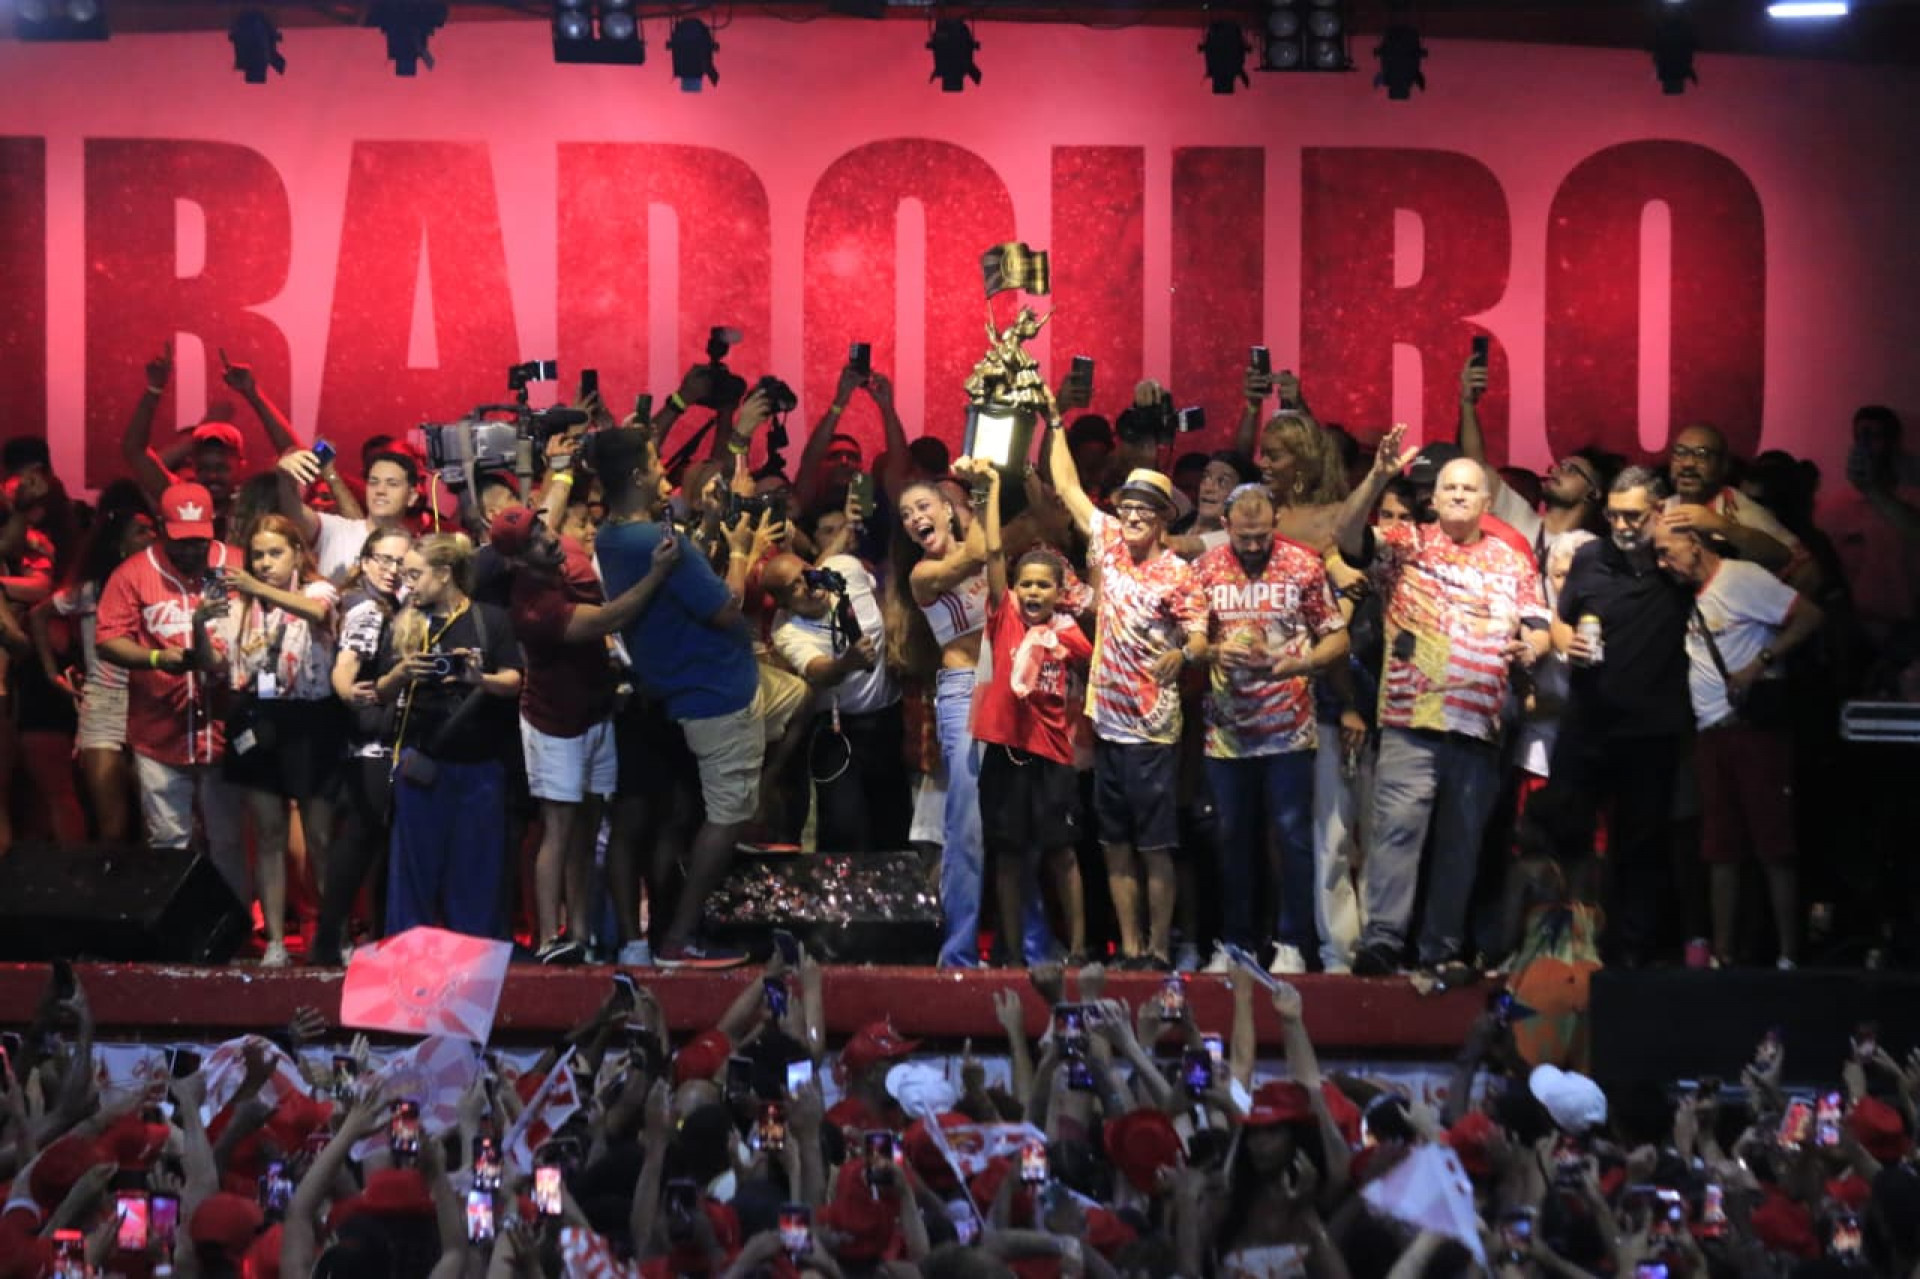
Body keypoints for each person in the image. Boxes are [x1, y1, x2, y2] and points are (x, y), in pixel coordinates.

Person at [1334, 426, 1550, 980]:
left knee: (1461, 844)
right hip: (1412, 719)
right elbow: (1347, 537)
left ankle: (1441, 947)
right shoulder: (1407, 545)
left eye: (1467, 489)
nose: (1456, 496)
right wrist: (1378, 477)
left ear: (1486, 501)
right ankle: (1383, 940)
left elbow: (1539, 625)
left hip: (1478, 726)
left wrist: (1534, 645)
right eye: (1448, 488)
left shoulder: (1511, 559)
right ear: (1431, 499)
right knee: (1397, 835)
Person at [589, 417, 799, 968]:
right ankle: (681, 938)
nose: (665, 469)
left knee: (803, 695)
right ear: (637, 475)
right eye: (657, 461)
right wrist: (742, 550)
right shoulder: (663, 543)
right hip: (718, 694)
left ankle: (757, 785)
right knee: (728, 815)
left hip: (696, 689)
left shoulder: (610, 535)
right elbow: (728, 606)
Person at [489, 503, 682, 962]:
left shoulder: (566, 552)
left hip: (596, 713)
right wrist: (656, 574)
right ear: (518, 562)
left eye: (541, 525)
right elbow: (607, 620)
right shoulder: (534, 609)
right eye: (534, 539)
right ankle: (548, 940)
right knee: (558, 827)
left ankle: (581, 932)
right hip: (556, 724)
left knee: (590, 822)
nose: (548, 538)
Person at [1047, 424, 1210, 970]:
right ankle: (1132, 946)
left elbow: (1201, 635)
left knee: (1154, 844)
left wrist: (1183, 655)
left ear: (1164, 518)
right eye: (1129, 506)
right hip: (1106, 724)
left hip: (1153, 729)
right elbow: (1067, 486)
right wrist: (1054, 423)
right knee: (1114, 843)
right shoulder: (1110, 545)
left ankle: (1159, 949)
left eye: (1146, 509)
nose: (1135, 515)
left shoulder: (1179, 574)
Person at [1651, 520, 1824, 968]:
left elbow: (1809, 615)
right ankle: (1723, 953)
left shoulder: (1742, 579)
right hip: (1711, 733)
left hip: (1753, 729)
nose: (1662, 562)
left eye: (1667, 551)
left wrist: (1759, 662)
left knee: (1773, 843)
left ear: (1694, 542)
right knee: (1719, 845)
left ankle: (1789, 953)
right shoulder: (1688, 595)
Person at [1193, 483, 1348, 974]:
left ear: (1276, 522)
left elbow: (1337, 639)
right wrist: (1217, 652)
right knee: (1232, 837)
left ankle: (1292, 942)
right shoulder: (1205, 569)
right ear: (1226, 527)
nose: (1255, 546)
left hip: (1289, 726)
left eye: (1262, 535)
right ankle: (1235, 943)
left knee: (1292, 837)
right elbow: (1190, 642)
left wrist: (1295, 665)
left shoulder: (1303, 565)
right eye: (1245, 537)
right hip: (1226, 730)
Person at [1548, 467, 1695, 966]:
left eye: (1633, 515)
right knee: (1567, 838)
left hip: (1651, 732)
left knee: (1641, 847)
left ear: (1659, 511)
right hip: (1587, 725)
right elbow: (1560, 625)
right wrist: (1573, 647)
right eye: (1613, 514)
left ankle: (1630, 957)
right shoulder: (1590, 556)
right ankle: (1565, 950)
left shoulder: (1678, 561)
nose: (1622, 525)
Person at [961, 458, 1093, 965]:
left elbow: (1093, 663)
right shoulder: (1006, 616)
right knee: (1010, 857)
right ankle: (1012, 953)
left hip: (1054, 756)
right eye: (1026, 584)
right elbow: (994, 551)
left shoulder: (1070, 632)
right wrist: (990, 491)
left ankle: (1079, 949)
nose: (1033, 592)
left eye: (1044, 585)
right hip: (1006, 753)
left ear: (1060, 592)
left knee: (1062, 855)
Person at [94, 483, 247, 898]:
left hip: (224, 731)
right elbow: (107, 639)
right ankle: (176, 935)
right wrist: (158, 659)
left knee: (228, 840)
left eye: (199, 540)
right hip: (160, 731)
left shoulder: (232, 565)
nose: (191, 551)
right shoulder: (133, 573)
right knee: (169, 842)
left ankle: (234, 931)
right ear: (161, 527)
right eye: (180, 541)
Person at [202, 514, 341, 967]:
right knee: (267, 833)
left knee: (320, 836)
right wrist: (197, 627)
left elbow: (319, 614)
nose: (264, 563)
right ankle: (278, 941)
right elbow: (215, 664)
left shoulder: (316, 590)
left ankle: (330, 933)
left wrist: (257, 589)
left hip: (310, 718)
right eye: (257, 555)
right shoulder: (240, 604)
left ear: (298, 554)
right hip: (255, 715)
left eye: (274, 553)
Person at [373, 534, 522, 939]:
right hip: (422, 766)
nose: (409, 584)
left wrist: (479, 678)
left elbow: (514, 680)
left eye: (416, 574)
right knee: (413, 879)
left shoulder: (490, 619)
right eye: (405, 575)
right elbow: (380, 692)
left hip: (481, 769)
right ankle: (408, 972)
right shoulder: (405, 621)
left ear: (444, 574)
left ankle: (473, 977)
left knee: (476, 879)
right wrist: (404, 671)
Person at [764, 546, 909, 853]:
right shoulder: (786, 629)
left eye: (806, 574)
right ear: (783, 603)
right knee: (844, 829)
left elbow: (878, 593)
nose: (807, 586)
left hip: (889, 718)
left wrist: (895, 636)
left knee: (894, 822)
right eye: (794, 588)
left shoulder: (845, 568)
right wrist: (847, 662)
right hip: (839, 730)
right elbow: (818, 672)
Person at [29, 501, 155, 844]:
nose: (152, 537)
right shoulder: (91, 590)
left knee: (155, 824)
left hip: (149, 704)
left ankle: (152, 896)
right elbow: (39, 614)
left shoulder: (158, 587)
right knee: (111, 826)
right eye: (141, 531)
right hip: (104, 704)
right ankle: (112, 895)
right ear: (119, 543)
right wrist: (51, 672)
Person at [316, 527, 414, 965]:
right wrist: (347, 690)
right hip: (371, 745)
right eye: (384, 560)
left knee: (370, 845)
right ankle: (328, 944)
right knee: (359, 843)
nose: (392, 571)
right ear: (365, 559)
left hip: (378, 744)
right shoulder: (367, 609)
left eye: (401, 563)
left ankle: (354, 940)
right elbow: (347, 663)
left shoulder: (389, 605)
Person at [1664, 422, 1817, 591]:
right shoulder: (1661, 508)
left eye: (1702, 455)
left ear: (1724, 466)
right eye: (1680, 453)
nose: (1688, 464)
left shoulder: (1739, 508)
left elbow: (1808, 572)